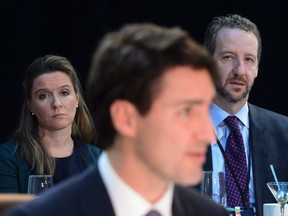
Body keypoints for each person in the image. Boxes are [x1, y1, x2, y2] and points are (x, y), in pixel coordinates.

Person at [5, 23, 229, 216]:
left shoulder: (210, 213)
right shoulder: (40, 213)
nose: (208, 134)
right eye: (184, 112)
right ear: (126, 118)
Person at [201, 14, 288, 216]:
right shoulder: (174, 133)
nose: (240, 70)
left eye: (249, 60)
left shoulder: (284, 134)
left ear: (257, 68)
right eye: (228, 57)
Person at [0, 55, 101, 193]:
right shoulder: (7, 157)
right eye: (43, 95)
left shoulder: (98, 159)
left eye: (64, 93)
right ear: (30, 106)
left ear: (77, 99)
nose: (56, 104)